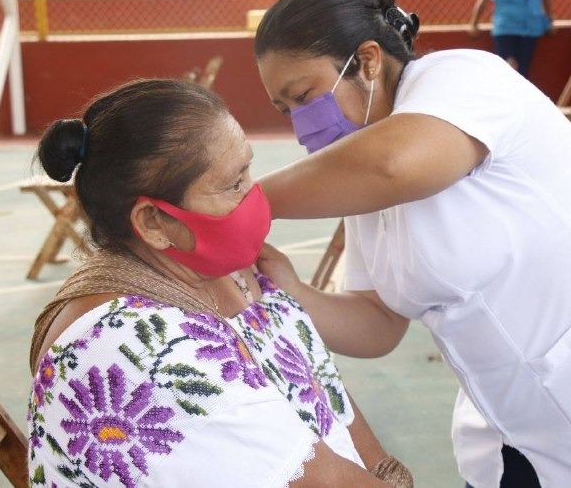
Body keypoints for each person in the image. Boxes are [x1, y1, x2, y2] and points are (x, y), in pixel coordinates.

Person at [252, 0, 571, 488]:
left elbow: (395, 165)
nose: (300, 122)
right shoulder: (358, 166)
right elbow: (378, 321)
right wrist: (294, 293)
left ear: (369, 60)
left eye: (304, 96)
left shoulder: (460, 77)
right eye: (285, 110)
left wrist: (241, 208)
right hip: (528, 432)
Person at [26, 79, 413, 487]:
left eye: (248, 170)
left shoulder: (226, 272)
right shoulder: (135, 347)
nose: (256, 196)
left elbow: (323, 394)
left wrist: (389, 474)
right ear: (154, 223)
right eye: (233, 184)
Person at [468, 0, 554, 78]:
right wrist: (474, 23)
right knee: (508, 68)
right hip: (506, 29)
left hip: (530, 29)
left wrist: (549, 20)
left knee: (523, 71)